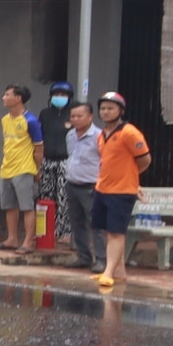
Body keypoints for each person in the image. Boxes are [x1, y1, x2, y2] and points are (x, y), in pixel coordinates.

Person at [96, 92, 153, 289]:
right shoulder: (102, 134)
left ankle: (108, 271)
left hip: (121, 191)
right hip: (102, 188)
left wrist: (132, 180)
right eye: (103, 108)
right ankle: (118, 271)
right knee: (107, 231)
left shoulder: (130, 132)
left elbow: (145, 159)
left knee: (116, 233)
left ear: (120, 110)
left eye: (110, 108)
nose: (105, 112)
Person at [0, 85, 43, 254]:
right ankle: (12, 238)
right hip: (6, 168)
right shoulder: (5, 120)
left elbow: (39, 149)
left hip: (24, 169)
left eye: (7, 94)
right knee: (10, 206)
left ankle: (28, 241)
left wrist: (37, 170)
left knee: (27, 207)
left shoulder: (30, 121)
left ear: (18, 98)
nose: (4, 97)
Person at [63, 101, 103, 272]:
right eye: (73, 116)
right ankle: (83, 257)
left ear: (90, 117)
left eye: (80, 116)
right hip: (72, 184)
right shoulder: (70, 135)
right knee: (77, 223)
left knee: (96, 224)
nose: (76, 119)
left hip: (91, 186)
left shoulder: (99, 136)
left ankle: (102, 259)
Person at [39, 81, 73, 251]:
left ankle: (65, 232)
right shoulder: (45, 114)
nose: (59, 98)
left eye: (63, 95)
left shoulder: (73, 115)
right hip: (47, 160)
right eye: (56, 95)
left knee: (64, 197)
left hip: (66, 161)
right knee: (46, 195)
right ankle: (45, 230)